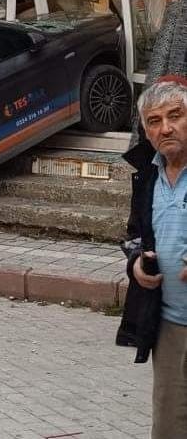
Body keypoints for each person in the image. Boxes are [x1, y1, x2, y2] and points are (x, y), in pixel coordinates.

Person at [118, 75, 187, 438]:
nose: (166, 128)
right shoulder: (147, 178)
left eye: (175, 116)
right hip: (171, 327)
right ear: (146, 132)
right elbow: (133, 236)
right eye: (154, 121)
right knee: (170, 427)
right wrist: (135, 265)